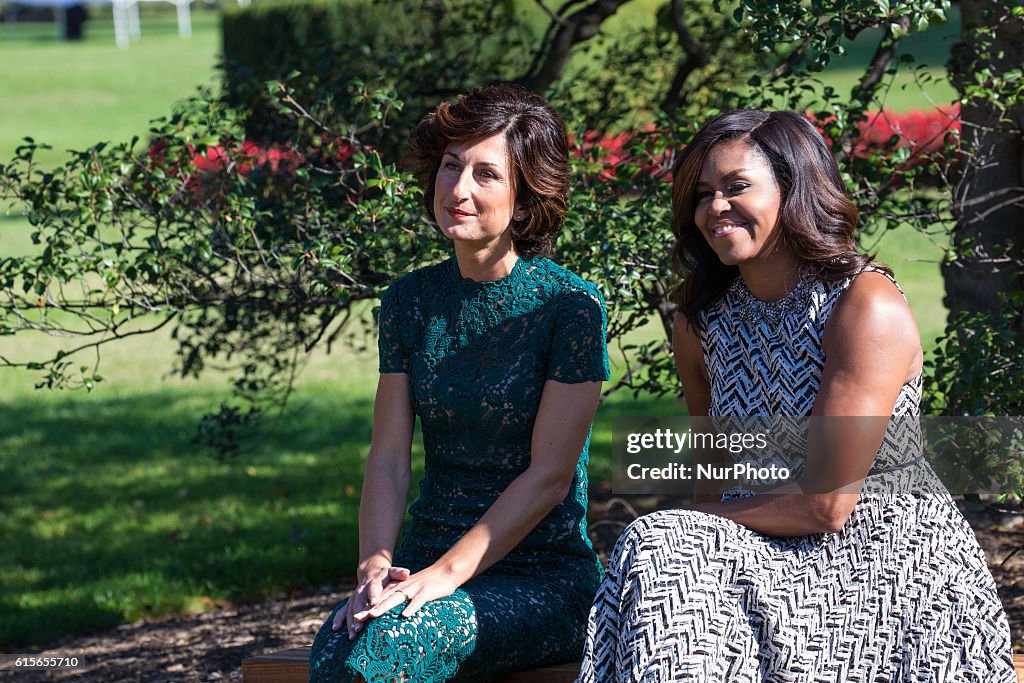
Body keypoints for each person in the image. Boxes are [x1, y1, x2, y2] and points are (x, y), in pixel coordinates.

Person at [577, 109, 1015, 682]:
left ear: (795, 189)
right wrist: (686, 531)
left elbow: (827, 505)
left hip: (884, 566)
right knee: (665, 548)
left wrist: (681, 527)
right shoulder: (702, 320)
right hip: (760, 550)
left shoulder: (863, 305)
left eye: (737, 188)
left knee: (663, 540)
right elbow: (714, 474)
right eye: (703, 195)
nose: (715, 208)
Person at [309, 84, 610, 683]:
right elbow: (390, 459)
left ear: (525, 197)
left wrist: (443, 576)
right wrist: (375, 564)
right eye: (451, 166)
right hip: (418, 571)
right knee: (337, 648)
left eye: (486, 174)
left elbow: (550, 477)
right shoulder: (409, 301)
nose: (458, 189)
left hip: (540, 579)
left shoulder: (569, 306)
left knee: (385, 653)